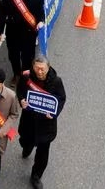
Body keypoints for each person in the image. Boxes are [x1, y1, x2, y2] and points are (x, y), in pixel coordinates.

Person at [17, 55, 67, 189]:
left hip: (46, 125)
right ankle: (27, 147)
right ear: (33, 67)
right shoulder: (26, 77)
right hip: (28, 120)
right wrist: (21, 99)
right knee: (25, 140)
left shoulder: (56, 82)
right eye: (37, 68)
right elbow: (20, 90)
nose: (39, 72)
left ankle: (36, 176)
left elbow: (61, 99)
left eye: (42, 69)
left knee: (43, 153)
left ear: (48, 68)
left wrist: (55, 113)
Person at [0, 0, 44, 83]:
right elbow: (2, 15)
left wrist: (41, 22)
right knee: (13, 56)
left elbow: (40, 14)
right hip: (13, 33)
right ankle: (16, 74)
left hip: (29, 34)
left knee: (27, 57)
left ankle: (26, 75)